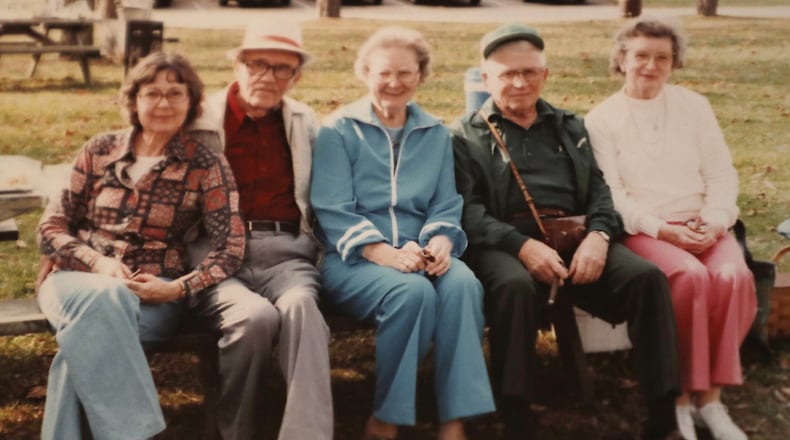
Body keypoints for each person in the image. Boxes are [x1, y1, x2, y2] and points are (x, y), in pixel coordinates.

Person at [450, 23, 683, 440]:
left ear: (546, 75)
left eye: (530, 72)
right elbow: (467, 210)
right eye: (507, 74)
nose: (520, 83)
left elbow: (600, 191)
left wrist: (598, 236)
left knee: (647, 280)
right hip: (504, 240)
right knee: (514, 286)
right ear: (486, 79)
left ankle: (663, 413)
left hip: (575, 235)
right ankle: (516, 414)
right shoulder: (465, 134)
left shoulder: (571, 126)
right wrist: (523, 248)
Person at [35, 52, 245, 440]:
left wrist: (178, 288)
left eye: (175, 93)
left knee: (77, 353)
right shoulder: (99, 150)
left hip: (153, 297)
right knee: (105, 297)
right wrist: (98, 264)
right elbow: (50, 227)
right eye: (152, 93)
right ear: (133, 100)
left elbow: (230, 248)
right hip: (74, 282)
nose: (163, 103)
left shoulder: (206, 164)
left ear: (192, 103)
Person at [310, 26, 495, 440]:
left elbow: (446, 202)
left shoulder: (435, 133)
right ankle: (387, 417)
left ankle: (454, 418)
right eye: (383, 73)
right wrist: (385, 254)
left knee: (463, 284)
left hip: (420, 250)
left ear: (421, 77)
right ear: (365, 73)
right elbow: (332, 208)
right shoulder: (338, 130)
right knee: (411, 293)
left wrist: (441, 243)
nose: (394, 83)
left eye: (405, 73)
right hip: (353, 258)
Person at [585, 16, 756, 440]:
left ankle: (711, 400)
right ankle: (678, 399)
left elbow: (721, 173)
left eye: (662, 57)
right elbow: (612, 194)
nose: (651, 65)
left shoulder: (694, 106)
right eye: (640, 55)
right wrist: (662, 230)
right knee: (688, 277)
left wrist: (717, 221)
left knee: (732, 276)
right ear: (622, 59)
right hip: (647, 228)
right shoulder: (602, 119)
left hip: (703, 221)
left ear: (674, 62)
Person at [188, 20, 333, 440]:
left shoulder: (305, 121)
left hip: (286, 252)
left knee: (302, 308)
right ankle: (237, 431)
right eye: (256, 64)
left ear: (296, 77)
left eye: (281, 68)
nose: (267, 76)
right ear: (237, 65)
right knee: (253, 319)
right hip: (213, 255)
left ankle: (306, 434)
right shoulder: (198, 118)